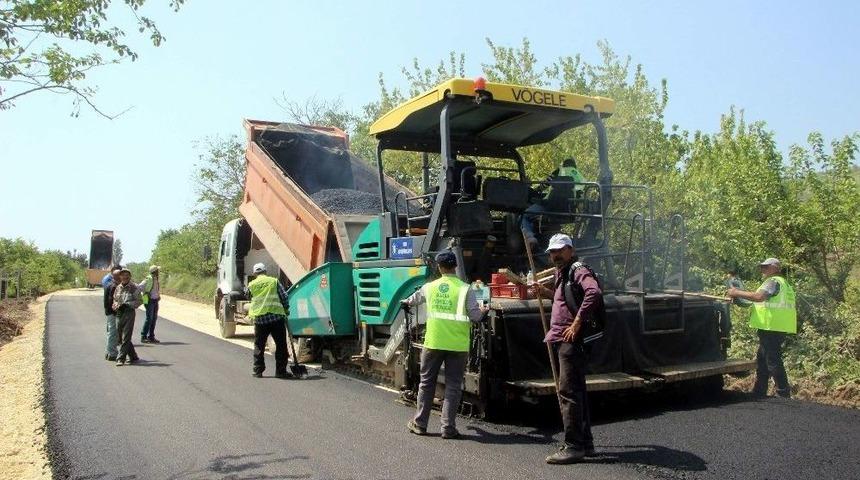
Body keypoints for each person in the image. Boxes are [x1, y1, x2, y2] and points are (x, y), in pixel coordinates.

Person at [531, 233, 605, 464]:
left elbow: (593, 292)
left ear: (570, 250)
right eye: (552, 252)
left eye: (560, 250)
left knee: (568, 392)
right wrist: (546, 294)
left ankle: (573, 446)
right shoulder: (562, 273)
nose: (555, 255)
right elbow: (565, 299)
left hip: (571, 339)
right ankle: (586, 443)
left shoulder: (578, 269)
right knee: (577, 392)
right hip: (565, 337)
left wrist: (577, 322)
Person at [401, 251, 488, 439]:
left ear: (439, 268)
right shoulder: (466, 289)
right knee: (454, 386)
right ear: (455, 266)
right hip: (457, 346)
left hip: (433, 342)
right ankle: (448, 428)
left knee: (426, 383)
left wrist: (405, 302)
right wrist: (484, 310)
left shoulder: (430, 287)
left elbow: (411, 300)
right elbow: (475, 316)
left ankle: (420, 424)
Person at [727, 257, 796, 398]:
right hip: (776, 326)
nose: (762, 269)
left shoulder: (773, 281)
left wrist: (736, 292)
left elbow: (759, 297)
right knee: (762, 359)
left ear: (775, 267)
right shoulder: (783, 284)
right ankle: (759, 390)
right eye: (761, 267)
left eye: (765, 267)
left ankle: (783, 393)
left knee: (772, 359)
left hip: (771, 326)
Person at [521, 158, 586, 248]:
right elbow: (581, 193)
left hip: (550, 205)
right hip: (568, 209)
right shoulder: (580, 176)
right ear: (574, 166)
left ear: (564, 165)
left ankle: (530, 239)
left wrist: (537, 190)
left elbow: (545, 184)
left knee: (525, 216)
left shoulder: (560, 171)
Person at [245, 263, 291, 379]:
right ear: (265, 271)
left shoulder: (251, 285)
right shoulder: (273, 281)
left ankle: (257, 371)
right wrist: (286, 309)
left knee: (259, 346)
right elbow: (284, 297)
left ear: (255, 274)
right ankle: (280, 372)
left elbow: (248, 297)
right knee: (281, 345)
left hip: (260, 320)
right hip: (276, 318)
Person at [112, 268, 142, 366]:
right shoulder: (118, 287)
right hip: (119, 313)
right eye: (123, 275)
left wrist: (128, 304)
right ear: (120, 276)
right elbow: (115, 299)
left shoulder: (134, 287)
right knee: (120, 338)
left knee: (126, 337)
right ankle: (133, 356)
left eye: (127, 275)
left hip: (129, 313)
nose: (125, 277)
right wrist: (115, 305)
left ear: (130, 276)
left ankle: (121, 358)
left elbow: (139, 301)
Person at [102, 267, 121, 361]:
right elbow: (110, 302)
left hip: (109, 312)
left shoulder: (110, 284)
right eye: (120, 275)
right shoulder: (114, 286)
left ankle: (109, 352)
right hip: (113, 313)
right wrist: (115, 312)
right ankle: (112, 353)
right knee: (113, 333)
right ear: (116, 276)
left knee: (111, 332)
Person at [139, 265, 162, 344]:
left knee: (154, 319)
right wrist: (146, 293)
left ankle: (151, 337)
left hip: (155, 300)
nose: (158, 272)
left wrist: (158, 296)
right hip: (149, 300)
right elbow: (140, 287)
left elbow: (155, 290)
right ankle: (143, 336)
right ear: (155, 271)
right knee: (149, 318)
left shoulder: (156, 279)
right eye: (157, 271)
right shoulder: (148, 279)